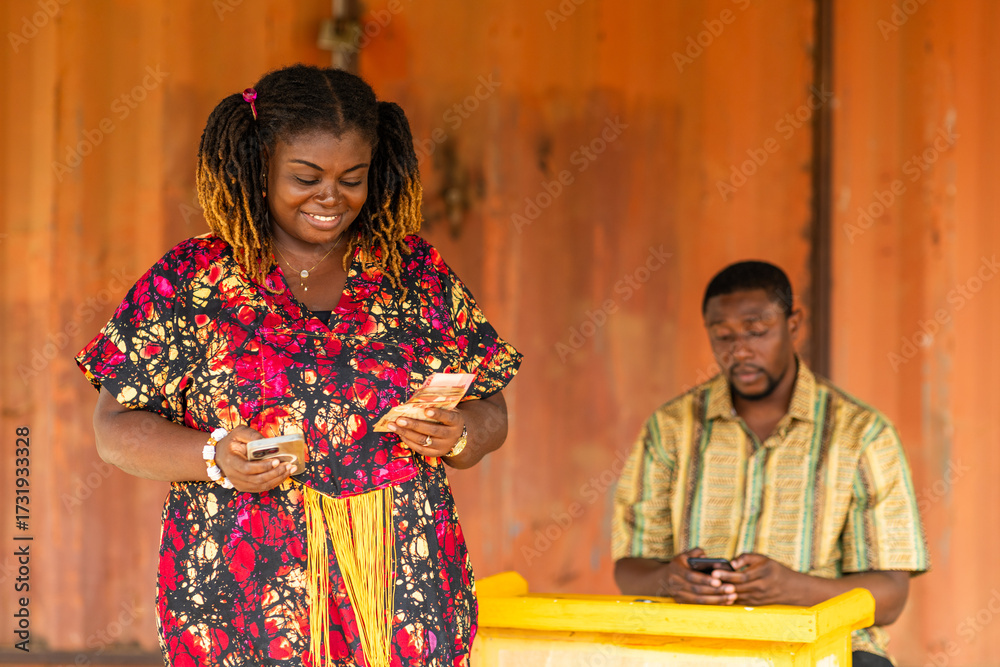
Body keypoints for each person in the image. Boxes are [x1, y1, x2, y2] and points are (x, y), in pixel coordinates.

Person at [76, 64, 521, 667]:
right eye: (305, 177)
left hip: (403, 587)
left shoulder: (412, 273)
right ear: (258, 169)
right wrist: (213, 457)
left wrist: (462, 435)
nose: (331, 197)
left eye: (353, 178)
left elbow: (489, 404)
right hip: (245, 596)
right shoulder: (192, 280)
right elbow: (114, 428)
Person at [611, 261, 928, 666]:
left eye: (757, 332)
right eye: (722, 336)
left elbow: (891, 597)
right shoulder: (671, 428)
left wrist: (794, 589)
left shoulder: (862, 433)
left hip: (824, 651)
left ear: (793, 324)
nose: (739, 350)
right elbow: (631, 566)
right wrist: (669, 580)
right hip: (696, 648)